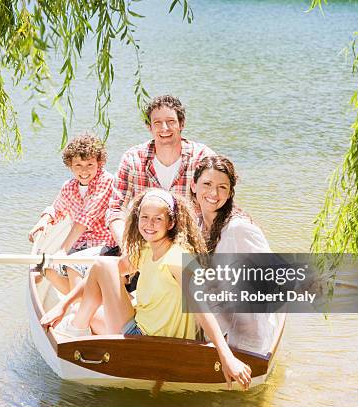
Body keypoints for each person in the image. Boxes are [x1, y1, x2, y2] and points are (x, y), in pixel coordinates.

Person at [41, 189, 253, 390]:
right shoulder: (145, 249)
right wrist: (62, 306)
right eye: (144, 217)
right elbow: (96, 279)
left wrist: (226, 356)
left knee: (102, 266)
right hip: (141, 329)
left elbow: (201, 308)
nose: (149, 224)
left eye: (158, 219)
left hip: (148, 342)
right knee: (93, 306)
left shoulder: (178, 258)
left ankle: (75, 328)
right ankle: (77, 323)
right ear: (137, 218)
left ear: (171, 222)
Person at [190, 155, 277, 354]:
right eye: (207, 184)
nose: (214, 193)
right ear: (194, 185)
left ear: (230, 193)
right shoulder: (197, 224)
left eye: (223, 187)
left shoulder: (238, 228)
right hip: (213, 325)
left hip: (242, 336)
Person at [106, 94, 216, 247]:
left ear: (182, 124)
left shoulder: (202, 158)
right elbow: (116, 210)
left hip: (188, 247)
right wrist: (127, 248)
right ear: (149, 127)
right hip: (143, 246)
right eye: (157, 122)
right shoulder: (132, 159)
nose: (164, 128)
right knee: (90, 268)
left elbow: (216, 207)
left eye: (171, 121)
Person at [28, 133, 116, 294]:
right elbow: (57, 208)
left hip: (106, 245)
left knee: (71, 263)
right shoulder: (69, 187)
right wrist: (44, 220)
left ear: (100, 163)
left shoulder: (106, 181)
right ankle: (50, 275)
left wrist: (62, 251)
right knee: (50, 267)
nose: (84, 171)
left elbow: (86, 216)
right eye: (78, 165)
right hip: (79, 245)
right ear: (70, 165)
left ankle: (77, 309)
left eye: (90, 165)